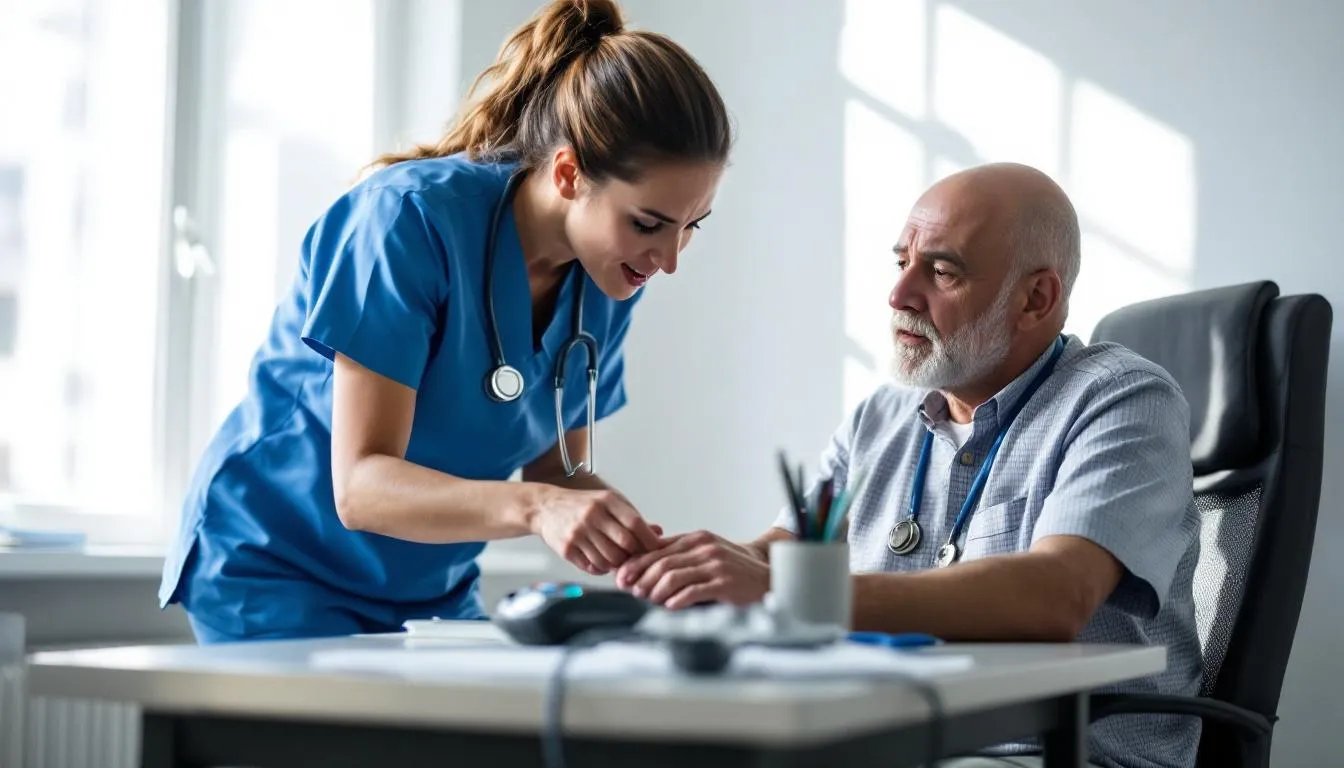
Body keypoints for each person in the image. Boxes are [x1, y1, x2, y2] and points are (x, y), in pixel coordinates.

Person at [158, 0, 733, 644]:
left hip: (429, 588)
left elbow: (555, 472)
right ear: (569, 173)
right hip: (277, 567)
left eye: (690, 228)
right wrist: (541, 509)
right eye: (649, 223)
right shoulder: (406, 220)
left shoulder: (610, 277)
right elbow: (361, 486)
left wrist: (634, 543)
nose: (669, 259)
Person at [615, 163, 1203, 768]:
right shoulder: (882, 415)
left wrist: (786, 593)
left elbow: (1058, 593)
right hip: (901, 737)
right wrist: (696, 572)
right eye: (902, 264)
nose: (899, 296)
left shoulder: (1122, 398)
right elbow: (788, 547)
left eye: (942, 271)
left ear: (1037, 298)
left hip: (1058, 751)